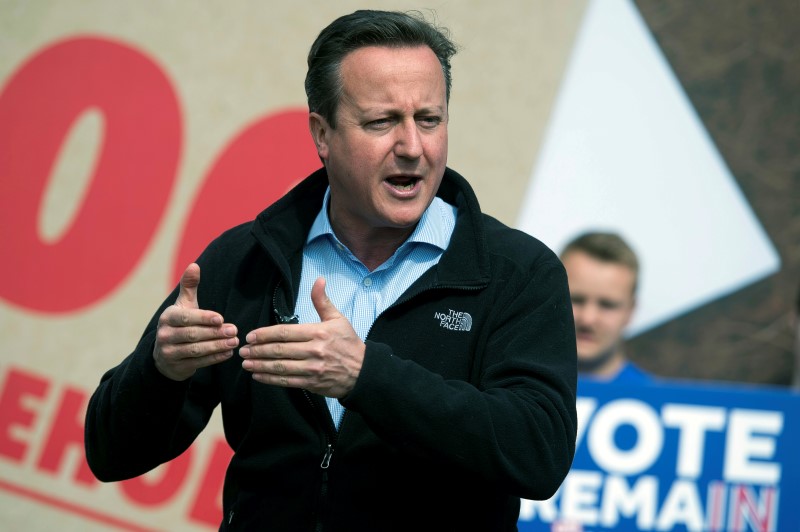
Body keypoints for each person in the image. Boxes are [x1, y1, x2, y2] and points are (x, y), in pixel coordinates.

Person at [84, 10, 577, 531]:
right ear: (323, 134)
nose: (413, 147)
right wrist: (160, 372)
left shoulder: (518, 272)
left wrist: (366, 376)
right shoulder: (247, 259)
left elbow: (538, 453)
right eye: (382, 122)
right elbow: (109, 453)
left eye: (429, 119)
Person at [559, 231, 651, 384]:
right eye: (575, 299)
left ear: (631, 310)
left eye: (607, 305)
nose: (588, 319)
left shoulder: (654, 401)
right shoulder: (508, 384)